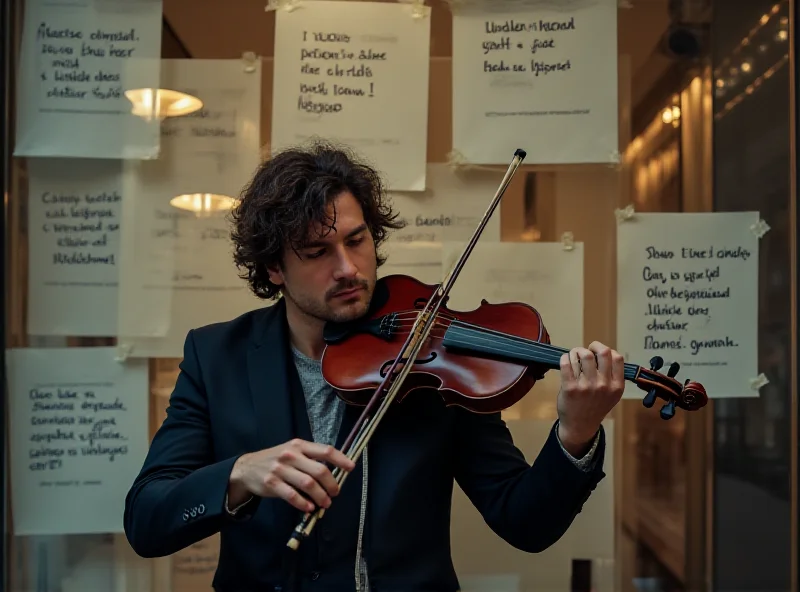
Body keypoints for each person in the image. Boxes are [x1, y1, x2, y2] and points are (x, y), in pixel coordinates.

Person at [123, 141, 625, 592]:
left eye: (357, 240)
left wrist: (575, 435)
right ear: (274, 268)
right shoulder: (216, 357)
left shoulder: (432, 355)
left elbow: (525, 523)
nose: (348, 268)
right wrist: (239, 474)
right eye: (318, 252)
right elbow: (148, 519)